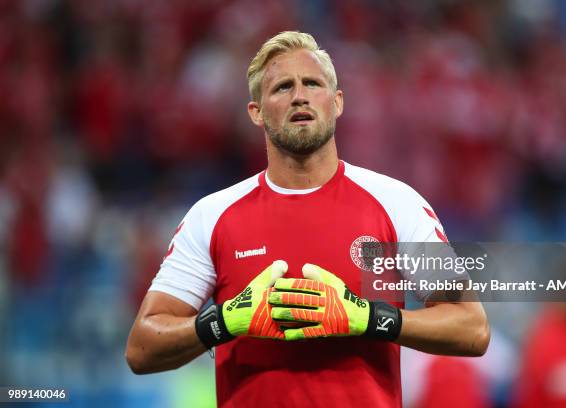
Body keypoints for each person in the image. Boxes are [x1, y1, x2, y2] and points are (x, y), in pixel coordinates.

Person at [125, 31, 490, 407]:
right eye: (283, 87)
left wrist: (366, 317)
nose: (299, 95)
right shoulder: (213, 216)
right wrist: (225, 320)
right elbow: (142, 347)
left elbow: (471, 327)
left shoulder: (396, 204)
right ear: (257, 113)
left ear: (337, 103)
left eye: (312, 83)